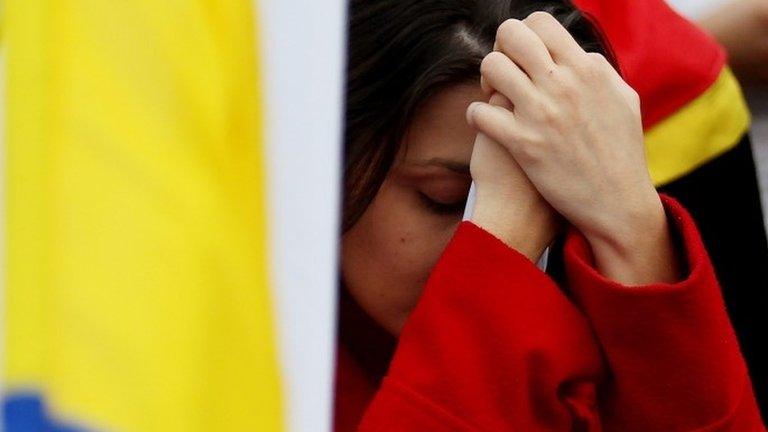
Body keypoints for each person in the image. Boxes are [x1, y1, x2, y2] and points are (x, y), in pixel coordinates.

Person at [336, 1, 766, 431]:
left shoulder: (599, 285)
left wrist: (635, 233)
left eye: (548, 207)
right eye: (444, 199)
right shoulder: (276, 354)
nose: (472, 253)